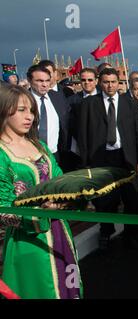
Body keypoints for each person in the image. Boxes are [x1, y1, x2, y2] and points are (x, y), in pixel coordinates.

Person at [0, 84, 82, 299]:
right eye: (21, 110)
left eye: (32, 111)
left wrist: (71, 196)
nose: (29, 117)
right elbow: (3, 206)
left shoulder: (39, 145)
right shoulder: (1, 153)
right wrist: (40, 212)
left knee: (66, 288)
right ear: (3, 110)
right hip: (27, 242)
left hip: (59, 230)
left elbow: (59, 179)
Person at [77, 68, 138, 249]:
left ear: (119, 82)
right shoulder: (89, 104)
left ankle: (133, 233)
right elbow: (83, 135)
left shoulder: (130, 103)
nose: (110, 85)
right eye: (106, 82)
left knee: (131, 199)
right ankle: (106, 232)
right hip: (101, 159)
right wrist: (86, 164)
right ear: (100, 82)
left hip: (126, 158)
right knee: (105, 199)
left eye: (114, 81)